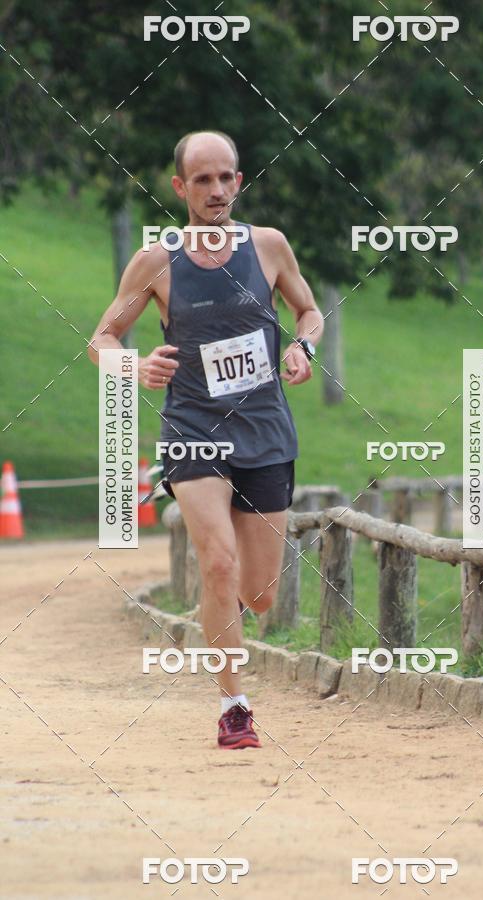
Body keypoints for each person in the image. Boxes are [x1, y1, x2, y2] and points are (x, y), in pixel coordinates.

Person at [88, 131, 323, 749]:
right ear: (180, 188)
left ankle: (226, 614)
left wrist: (303, 347)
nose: (216, 190)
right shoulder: (157, 262)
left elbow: (309, 311)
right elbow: (102, 339)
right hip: (193, 430)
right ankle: (233, 706)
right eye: (202, 180)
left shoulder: (268, 246)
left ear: (238, 182)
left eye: (225, 178)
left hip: (264, 430)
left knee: (260, 595)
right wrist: (134, 366)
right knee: (217, 563)